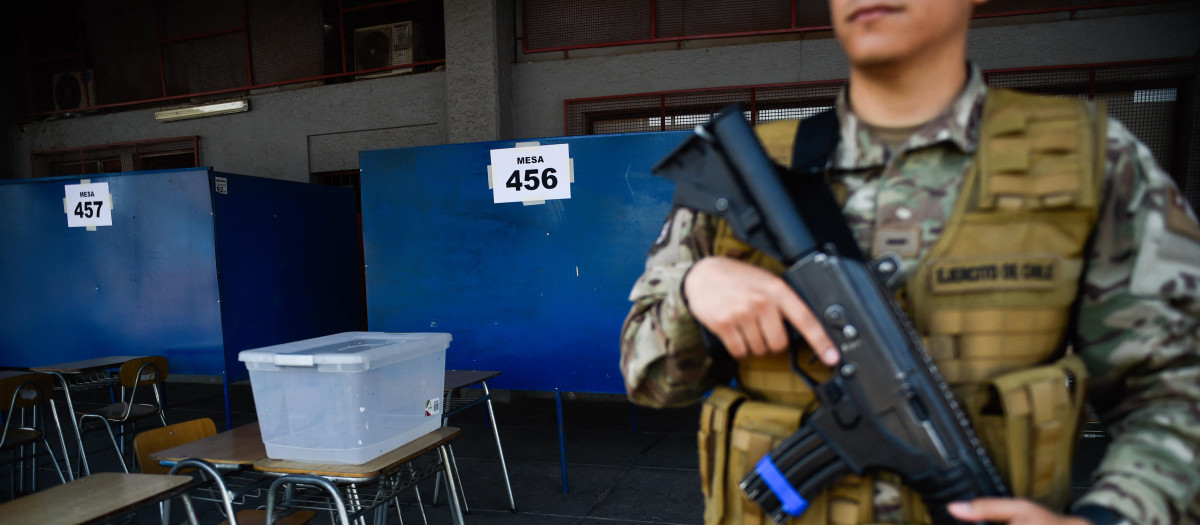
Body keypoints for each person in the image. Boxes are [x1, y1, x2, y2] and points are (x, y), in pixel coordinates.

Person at [619, 0, 1200, 524]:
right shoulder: (756, 170)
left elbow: (1178, 389)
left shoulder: (1093, 162)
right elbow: (647, 380)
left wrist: (1114, 518)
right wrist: (692, 291)